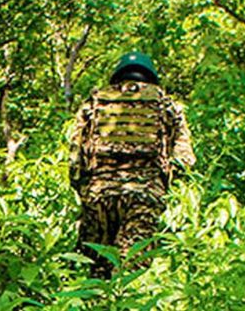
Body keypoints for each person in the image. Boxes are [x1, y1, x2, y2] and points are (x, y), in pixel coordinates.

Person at [69, 52, 196, 278]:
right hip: (144, 196)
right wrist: (164, 185)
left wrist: (85, 190)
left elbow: (75, 158)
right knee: (129, 272)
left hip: (99, 195)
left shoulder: (94, 103)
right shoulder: (167, 105)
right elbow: (184, 159)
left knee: (97, 271)